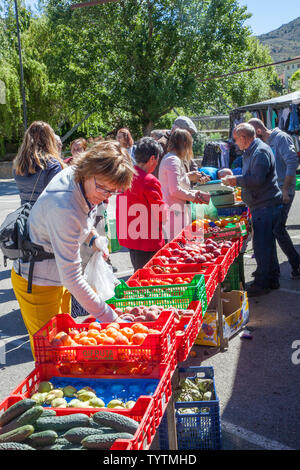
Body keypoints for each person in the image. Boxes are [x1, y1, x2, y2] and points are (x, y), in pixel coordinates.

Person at [11, 140, 135, 356]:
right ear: (88, 171)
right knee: (51, 352)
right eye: (102, 187)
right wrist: (110, 317)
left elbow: (83, 217)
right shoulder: (63, 205)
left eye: (112, 191)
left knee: (66, 342)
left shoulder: (81, 178)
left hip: (57, 274)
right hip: (38, 282)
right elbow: (73, 278)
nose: (105, 196)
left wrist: (93, 238)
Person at [222, 123, 283, 297]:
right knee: (267, 244)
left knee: (262, 245)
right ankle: (272, 278)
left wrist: (236, 180)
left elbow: (257, 179)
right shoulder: (253, 150)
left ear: (244, 137)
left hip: (265, 205)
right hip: (262, 204)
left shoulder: (260, 152)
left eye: (236, 139)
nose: (235, 143)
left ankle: (262, 283)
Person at [248, 118, 300, 279]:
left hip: (283, 192)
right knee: (268, 229)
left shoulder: (281, 138)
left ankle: (296, 263)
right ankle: (270, 270)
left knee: (277, 228)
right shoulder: (263, 144)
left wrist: (285, 189)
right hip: (272, 193)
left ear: (258, 131)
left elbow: (292, 163)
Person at [116, 136, 168, 271]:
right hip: (147, 241)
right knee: (150, 279)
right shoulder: (150, 180)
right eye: (157, 158)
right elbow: (160, 214)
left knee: (139, 274)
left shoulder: (127, 175)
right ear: (152, 159)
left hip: (130, 238)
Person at [158, 128, 210, 241]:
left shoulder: (172, 158)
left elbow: (175, 183)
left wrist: (188, 176)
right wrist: (195, 197)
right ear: (185, 144)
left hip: (176, 212)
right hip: (174, 214)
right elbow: (174, 190)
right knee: (176, 247)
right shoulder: (173, 160)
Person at [13, 121, 65, 206]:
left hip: (25, 214)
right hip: (45, 215)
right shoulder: (52, 163)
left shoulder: (18, 164)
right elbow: (58, 196)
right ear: (49, 139)